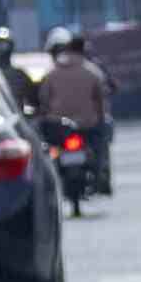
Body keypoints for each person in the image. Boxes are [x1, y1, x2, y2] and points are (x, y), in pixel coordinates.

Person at [35, 29, 114, 197]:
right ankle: (101, 174)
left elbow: (43, 100)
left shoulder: (50, 73)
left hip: (58, 126)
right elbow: (101, 98)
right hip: (88, 124)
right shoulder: (92, 71)